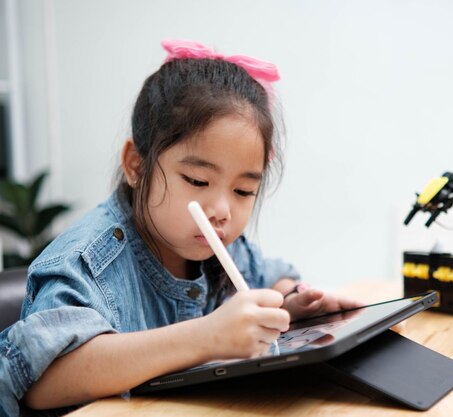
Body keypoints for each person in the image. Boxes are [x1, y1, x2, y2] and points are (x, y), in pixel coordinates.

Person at [0, 39, 360, 416]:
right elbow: (42, 382)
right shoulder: (86, 262)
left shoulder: (221, 247)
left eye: (243, 190)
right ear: (137, 166)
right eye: (198, 181)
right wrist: (206, 337)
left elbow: (269, 276)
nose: (221, 210)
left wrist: (291, 303)